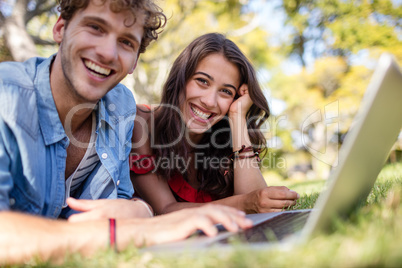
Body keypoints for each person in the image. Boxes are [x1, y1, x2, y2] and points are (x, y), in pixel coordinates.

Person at [0, 1, 252, 264]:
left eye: (126, 42)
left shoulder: (119, 105)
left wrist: (141, 211)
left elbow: (124, 203)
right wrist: (126, 232)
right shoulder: (7, 96)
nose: (108, 53)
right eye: (96, 27)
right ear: (60, 28)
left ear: (134, 62)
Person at [130, 33, 300, 215]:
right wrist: (245, 203)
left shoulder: (225, 133)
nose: (210, 102)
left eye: (226, 91)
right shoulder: (141, 123)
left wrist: (237, 115)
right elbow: (165, 209)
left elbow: (257, 208)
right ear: (180, 79)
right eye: (202, 81)